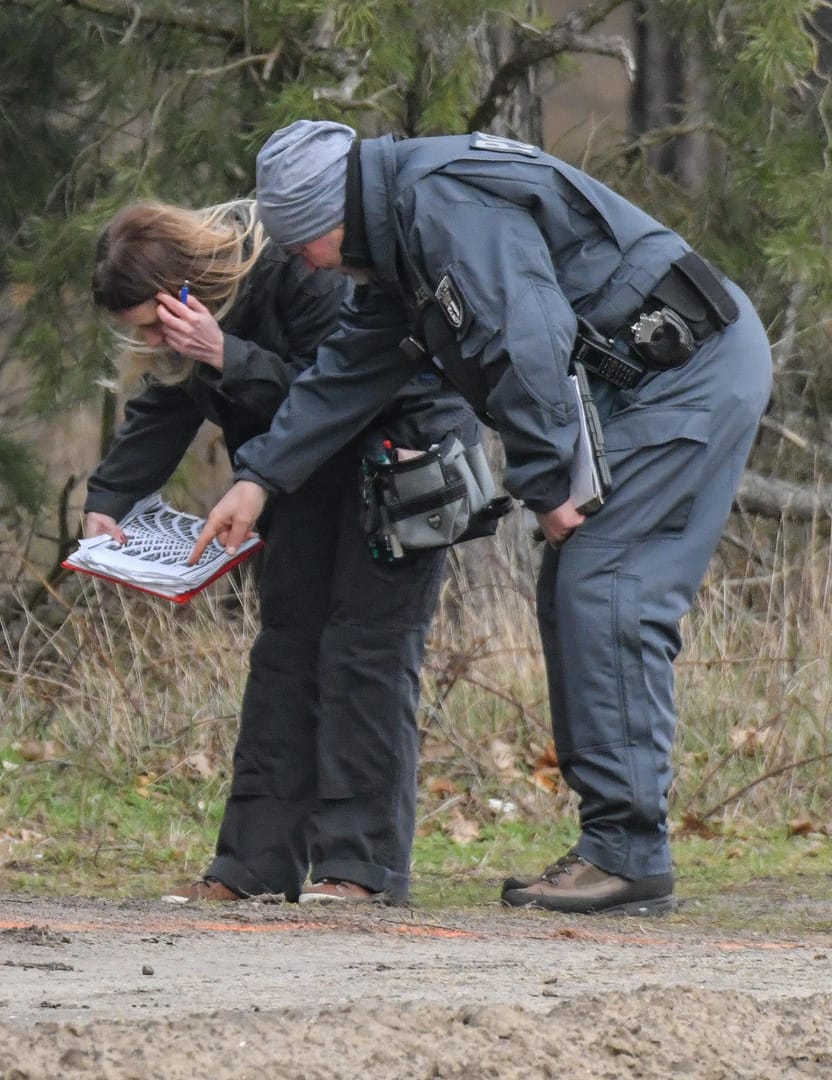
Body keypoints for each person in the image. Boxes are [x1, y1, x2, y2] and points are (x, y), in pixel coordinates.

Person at [192, 121, 772, 916]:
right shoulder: (404, 230)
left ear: (332, 218)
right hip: (643, 382)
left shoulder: (439, 205)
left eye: (300, 247)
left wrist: (543, 478)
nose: (301, 264)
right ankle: (620, 848)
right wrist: (257, 479)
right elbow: (347, 371)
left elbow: (525, 334)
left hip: (684, 375)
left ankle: (629, 856)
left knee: (605, 585)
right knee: (582, 586)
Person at [86, 199, 472, 904]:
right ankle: (250, 869)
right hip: (291, 484)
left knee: (365, 659)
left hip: (393, 468)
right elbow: (169, 403)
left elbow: (341, 392)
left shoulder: (304, 271)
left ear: (182, 290)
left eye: (150, 326)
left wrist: (225, 354)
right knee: (284, 660)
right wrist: (106, 501)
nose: (148, 342)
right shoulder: (189, 329)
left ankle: (361, 872)